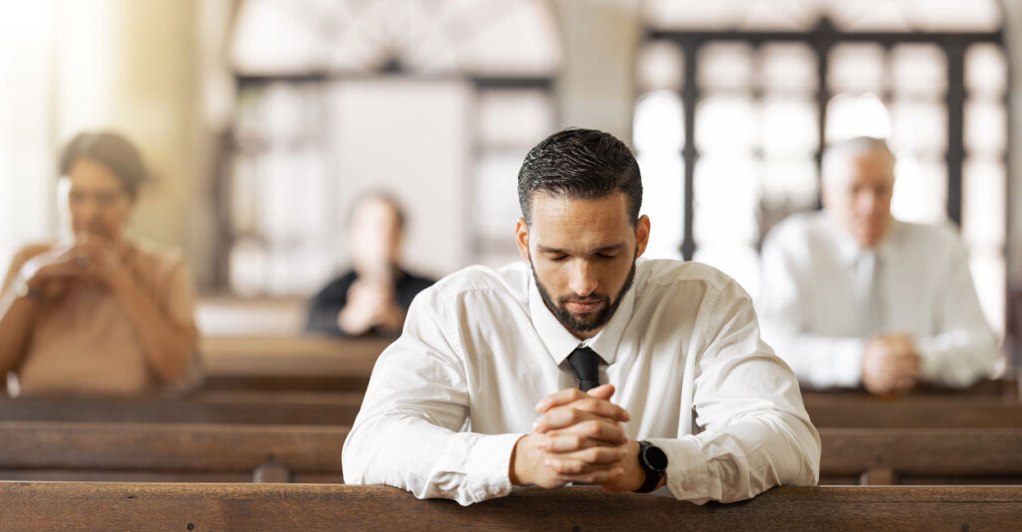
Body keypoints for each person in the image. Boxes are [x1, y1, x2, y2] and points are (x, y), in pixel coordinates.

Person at [342, 128, 820, 506]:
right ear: (525, 241)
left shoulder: (706, 302)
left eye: (607, 253)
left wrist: (652, 463)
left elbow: (789, 440)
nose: (583, 284)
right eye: (556, 256)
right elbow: (372, 446)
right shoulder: (458, 310)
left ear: (642, 236)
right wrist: (516, 459)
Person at [757, 137, 999, 395]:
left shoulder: (941, 245)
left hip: (925, 416)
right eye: (855, 189)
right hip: (818, 419)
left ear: (894, 188)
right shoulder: (792, 245)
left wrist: (921, 359)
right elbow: (772, 346)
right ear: (826, 192)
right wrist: (857, 361)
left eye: (881, 189)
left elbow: (982, 346)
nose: (870, 205)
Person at [0, 131, 199, 396]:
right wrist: (32, 282)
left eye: (105, 199)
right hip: (33, 431)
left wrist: (122, 281)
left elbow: (177, 371)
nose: (90, 213)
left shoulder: (164, 269)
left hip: (132, 432)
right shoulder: (30, 262)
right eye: (76, 197)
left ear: (133, 200)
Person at [305, 192, 434, 337]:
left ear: (400, 235)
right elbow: (308, 328)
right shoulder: (332, 291)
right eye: (370, 227)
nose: (381, 236)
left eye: (389, 227)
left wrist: (399, 321)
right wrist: (347, 321)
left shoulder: (427, 292)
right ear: (352, 234)